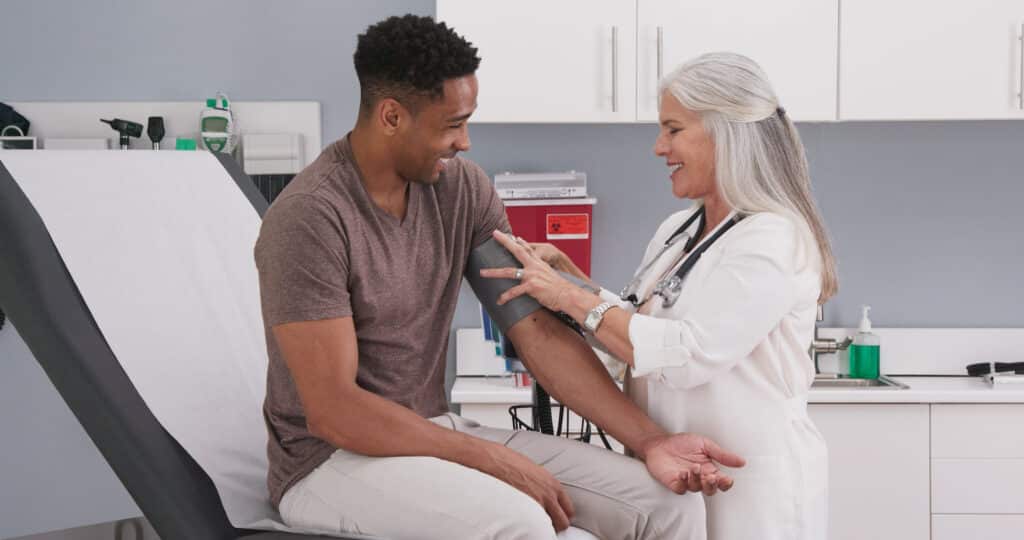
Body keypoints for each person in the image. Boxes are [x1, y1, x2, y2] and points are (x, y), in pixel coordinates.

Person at [254, 16, 745, 540]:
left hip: (430, 431)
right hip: (328, 463)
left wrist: (650, 443)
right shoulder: (309, 218)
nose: (465, 142)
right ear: (392, 116)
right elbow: (334, 412)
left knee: (667, 505)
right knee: (520, 522)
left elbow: (534, 329)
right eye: (451, 125)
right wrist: (489, 458)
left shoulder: (461, 190)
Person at [482, 52, 835, 540]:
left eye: (673, 130)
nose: (657, 147)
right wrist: (575, 282)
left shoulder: (774, 238)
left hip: (752, 485)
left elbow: (688, 354)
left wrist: (571, 297)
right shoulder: (679, 230)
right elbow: (641, 332)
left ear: (724, 132)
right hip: (677, 472)